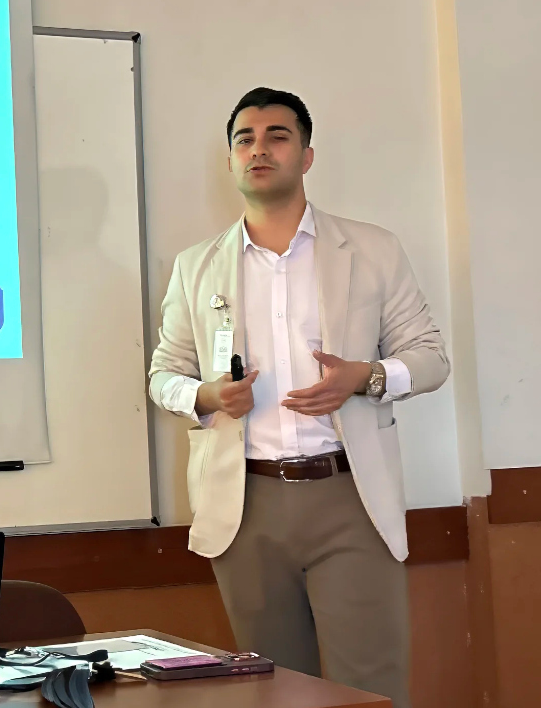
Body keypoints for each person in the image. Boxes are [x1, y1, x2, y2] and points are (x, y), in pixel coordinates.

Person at [147, 88, 448, 708]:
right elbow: (163, 375)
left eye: (277, 136)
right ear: (231, 161)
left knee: (369, 687)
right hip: (245, 504)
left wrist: (364, 377)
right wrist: (207, 395)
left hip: (350, 496)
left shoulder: (372, 249)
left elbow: (430, 358)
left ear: (306, 156)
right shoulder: (196, 266)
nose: (259, 149)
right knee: (273, 692)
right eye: (245, 139)